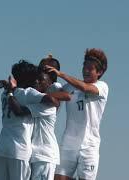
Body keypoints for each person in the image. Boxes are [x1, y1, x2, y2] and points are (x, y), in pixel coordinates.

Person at [0, 60, 58, 180]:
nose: (36, 81)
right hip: (19, 149)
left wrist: (9, 88)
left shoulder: (4, 93)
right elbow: (52, 101)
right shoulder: (27, 94)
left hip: (2, 147)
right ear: (27, 80)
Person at [46, 48, 109, 180]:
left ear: (99, 72)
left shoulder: (102, 86)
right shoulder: (69, 88)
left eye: (90, 69)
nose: (85, 71)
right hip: (68, 145)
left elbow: (85, 88)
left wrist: (61, 74)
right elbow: (52, 102)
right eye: (84, 67)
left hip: (89, 147)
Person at [8, 70, 70, 180]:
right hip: (37, 155)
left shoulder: (46, 106)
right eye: (36, 79)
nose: (37, 81)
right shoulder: (37, 100)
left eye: (41, 80)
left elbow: (19, 111)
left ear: (49, 84)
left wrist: (11, 91)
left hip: (45, 155)